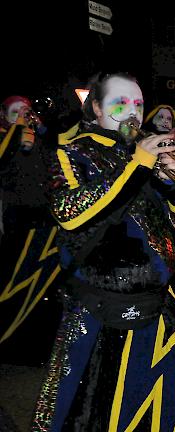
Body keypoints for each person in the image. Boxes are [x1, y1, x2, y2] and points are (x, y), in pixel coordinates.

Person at [31, 72, 175, 431]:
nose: (133, 113)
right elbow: (71, 213)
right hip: (101, 315)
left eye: (139, 104)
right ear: (95, 107)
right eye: (121, 103)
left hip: (159, 310)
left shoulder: (144, 154)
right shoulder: (71, 153)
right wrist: (137, 165)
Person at [0, 95, 61, 365]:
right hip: (18, 218)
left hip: (45, 217)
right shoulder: (6, 137)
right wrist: (16, 131)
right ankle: (13, 343)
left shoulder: (38, 137)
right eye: (17, 111)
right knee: (16, 278)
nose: (24, 115)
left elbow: (57, 152)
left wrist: (42, 129)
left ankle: (39, 343)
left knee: (43, 283)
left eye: (27, 110)